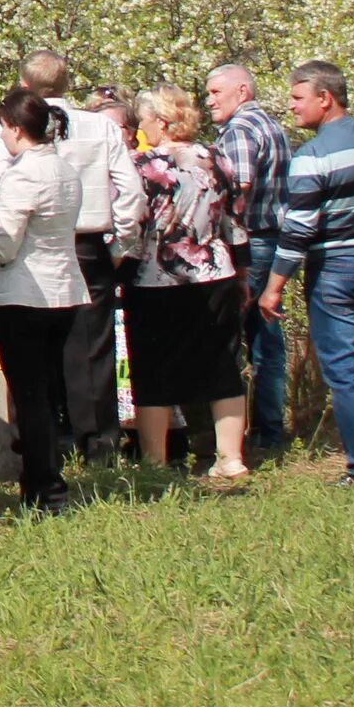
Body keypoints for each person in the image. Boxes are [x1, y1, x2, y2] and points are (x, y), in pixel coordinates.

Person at [256, 60, 354, 485]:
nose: (291, 107)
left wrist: (274, 285)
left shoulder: (312, 155)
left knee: (345, 368)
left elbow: (300, 227)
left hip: (336, 269)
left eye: (297, 97)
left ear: (324, 98)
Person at [0, 90, 89, 515]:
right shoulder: (64, 169)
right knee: (46, 390)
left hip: (23, 297)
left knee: (30, 396)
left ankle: (45, 488)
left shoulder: (22, 174)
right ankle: (43, 479)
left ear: (13, 129)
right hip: (63, 291)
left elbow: (3, 246)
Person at [17, 51, 144, 463]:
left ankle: (47, 441)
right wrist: (122, 242)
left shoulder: (17, 126)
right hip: (88, 243)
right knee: (90, 347)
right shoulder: (100, 127)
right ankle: (98, 445)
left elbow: (0, 185)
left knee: (36, 345)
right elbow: (131, 189)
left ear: (23, 85)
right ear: (67, 84)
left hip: (34, 244)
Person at [125, 85, 250, 480]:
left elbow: (132, 224)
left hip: (154, 278)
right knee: (221, 363)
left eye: (144, 121)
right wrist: (243, 271)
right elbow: (235, 220)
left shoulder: (141, 166)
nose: (141, 128)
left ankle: (156, 462)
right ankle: (231, 458)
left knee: (153, 369)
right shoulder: (217, 158)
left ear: (160, 122)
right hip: (215, 272)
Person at [206, 62, 292, 457]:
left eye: (215, 93)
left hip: (252, 244)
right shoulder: (270, 125)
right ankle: (269, 431)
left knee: (230, 342)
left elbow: (237, 188)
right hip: (273, 240)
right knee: (268, 340)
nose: (209, 101)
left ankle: (232, 438)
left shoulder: (240, 130)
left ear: (242, 91)